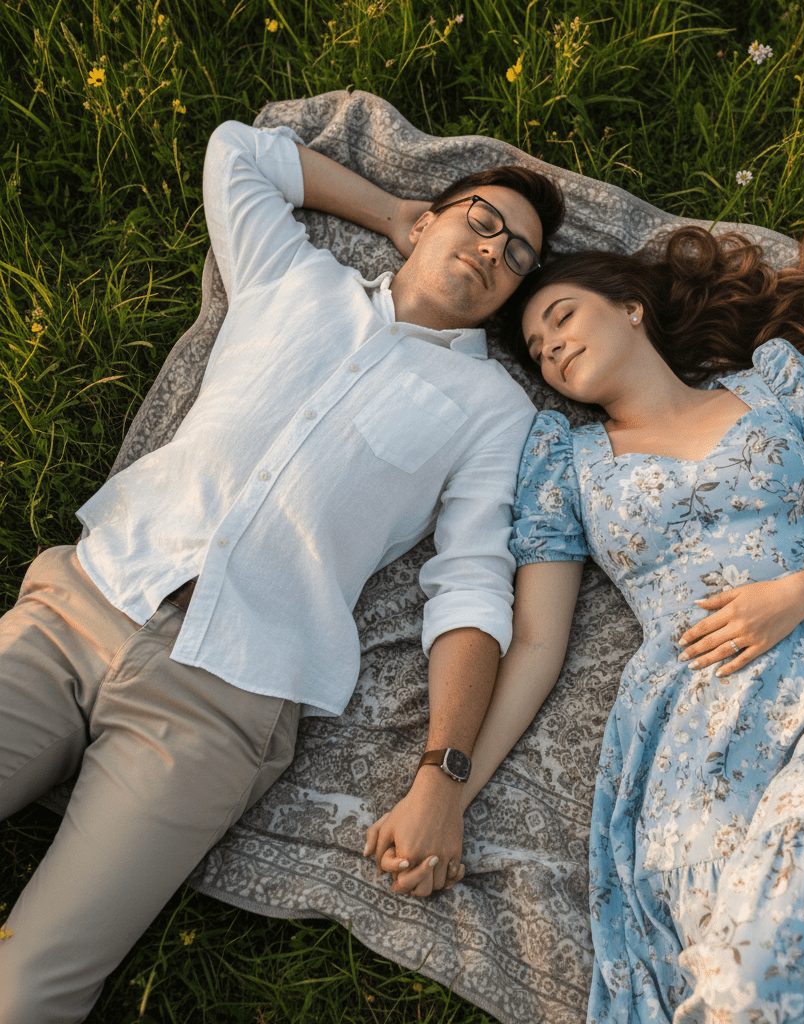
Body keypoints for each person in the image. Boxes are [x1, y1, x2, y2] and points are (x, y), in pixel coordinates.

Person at [370, 227, 804, 1020]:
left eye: (563, 319)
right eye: (538, 350)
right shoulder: (565, 462)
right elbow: (539, 645)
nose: (551, 351)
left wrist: (795, 595)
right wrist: (447, 791)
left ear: (632, 308)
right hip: (699, 730)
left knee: (801, 913)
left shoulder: (775, 387)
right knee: (745, 976)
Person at [0, 117, 563, 1023]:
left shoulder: (492, 407)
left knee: (26, 990)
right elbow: (241, 151)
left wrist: (443, 778)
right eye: (484, 220)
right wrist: (388, 210)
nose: (498, 249)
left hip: (218, 702)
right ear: (434, 222)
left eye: (522, 257)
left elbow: (469, 588)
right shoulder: (293, 277)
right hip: (87, 604)